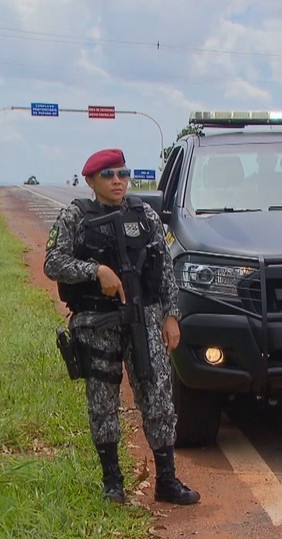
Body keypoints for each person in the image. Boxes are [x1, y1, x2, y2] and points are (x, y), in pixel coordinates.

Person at [44, 148, 200, 505]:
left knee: (158, 396)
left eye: (123, 174)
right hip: (97, 322)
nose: (118, 181)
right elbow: (53, 262)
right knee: (102, 402)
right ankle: (112, 483)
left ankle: (167, 481)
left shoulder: (143, 214)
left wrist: (171, 315)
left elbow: (164, 268)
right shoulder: (75, 216)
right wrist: (95, 271)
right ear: (91, 180)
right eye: (109, 174)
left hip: (144, 319)